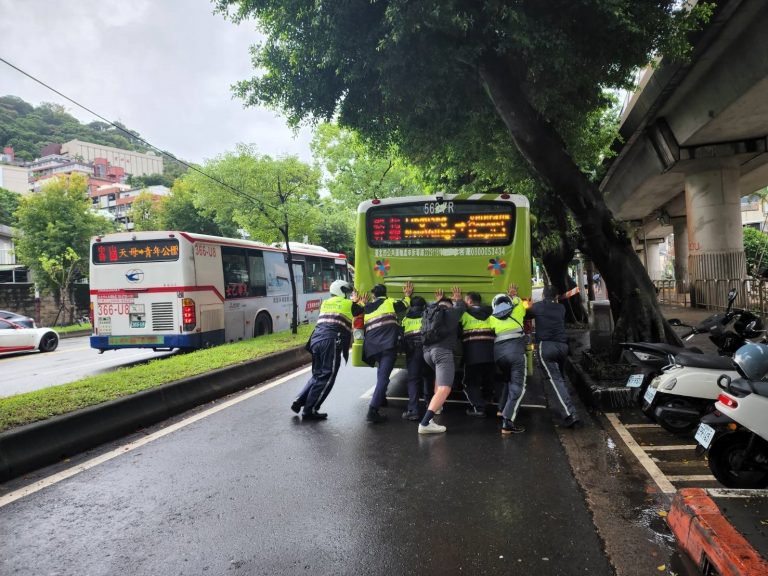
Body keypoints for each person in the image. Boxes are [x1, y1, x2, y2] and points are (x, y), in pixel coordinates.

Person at [291, 279, 365, 420]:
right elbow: (361, 309)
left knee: (318, 374)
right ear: (340, 291)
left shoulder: (325, 303)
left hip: (315, 340)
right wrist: (359, 301)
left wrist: (354, 302)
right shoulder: (348, 304)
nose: (348, 294)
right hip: (330, 341)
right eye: (346, 292)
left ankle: (300, 400)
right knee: (327, 376)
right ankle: (310, 409)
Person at [526, 285, 581, 428]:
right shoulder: (561, 308)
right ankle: (566, 405)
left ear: (543, 295)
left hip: (546, 347)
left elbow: (525, 315)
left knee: (555, 380)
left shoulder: (537, 307)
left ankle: (570, 413)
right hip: (562, 347)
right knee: (561, 378)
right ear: (556, 297)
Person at [363, 281, 414, 423]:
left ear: (374, 295)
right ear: (385, 294)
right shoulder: (390, 302)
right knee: (384, 378)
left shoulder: (367, 307)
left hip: (372, 347)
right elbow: (404, 304)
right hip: (387, 346)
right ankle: (372, 410)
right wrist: (407, 295)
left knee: (381, 373)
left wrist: (364, 302)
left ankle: (381, 398)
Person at [418, 286, 466, 434]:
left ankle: (437, 407)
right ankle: (425, 423)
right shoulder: (452, 312)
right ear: (449, 306)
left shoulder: (429, 313)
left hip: (427, 353)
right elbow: (461, 307)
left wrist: (439, 301)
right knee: (445, 388)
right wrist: (457, 298)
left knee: (439, 381)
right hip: (442, 353)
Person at [488, 287, 528, 435]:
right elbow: (521, 304)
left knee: (507, 381)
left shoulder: (492, 318)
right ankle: (508, 422)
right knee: (518, 387)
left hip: (499, 356)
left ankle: (501, 409)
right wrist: (515, 296)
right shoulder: (517, 311)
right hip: (516, 354)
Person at [459, 292, 496, 418]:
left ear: (469, 301)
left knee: (470, 382)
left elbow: (457, 331)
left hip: (472, 354)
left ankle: (479, 408)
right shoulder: (491, 313)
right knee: (488, 378)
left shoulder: (464, 314)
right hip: (491, 353)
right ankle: (488, 399)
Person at [400, 295, 433, 421]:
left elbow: (402, 336)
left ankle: (413, 410)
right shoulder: (427, 316)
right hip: (427, 350)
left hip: (413, 352)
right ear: (424, 306)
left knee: (413, 380)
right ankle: (430, 405)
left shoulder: (405, 319)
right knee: (428, 377)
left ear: (412, 306)